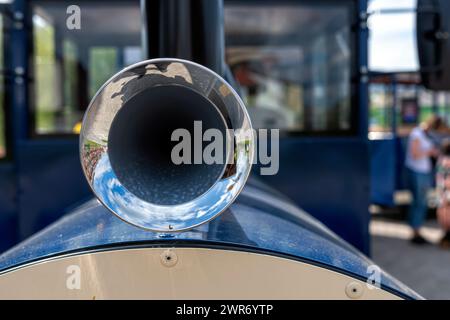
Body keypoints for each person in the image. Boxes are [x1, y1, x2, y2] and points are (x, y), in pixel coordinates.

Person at [405, 116, 441, 244]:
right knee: (419, 202)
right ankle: (415, 232)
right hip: (418, 172)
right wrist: (430, 152)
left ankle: (416, 230)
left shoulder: (426, 135)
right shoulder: (417, 133)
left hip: (424, 171)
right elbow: (415, 154)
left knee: (420, 202)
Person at [436, 139, 450, 248]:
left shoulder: (441, 160)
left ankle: (446, 236)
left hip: (442, 191)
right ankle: (447, 238)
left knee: (443, 212)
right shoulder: (447, 161)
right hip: (446, 191)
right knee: (446, 213)